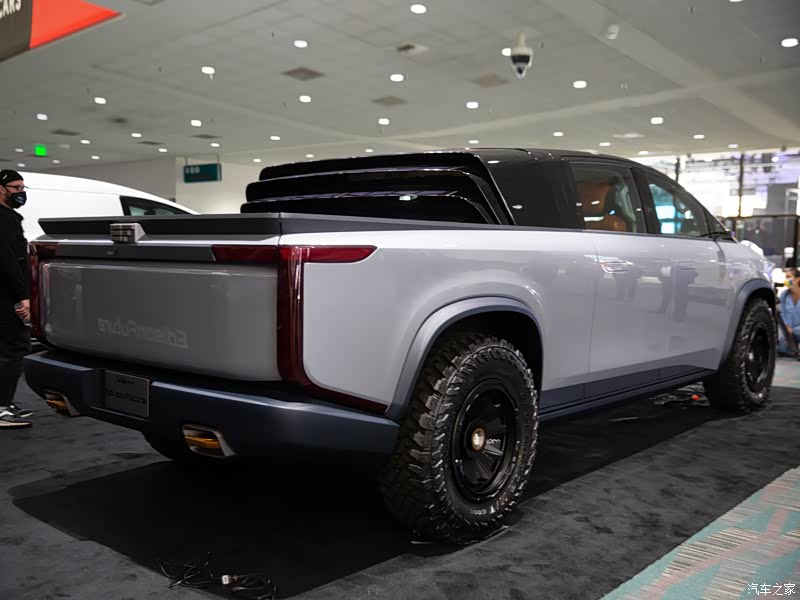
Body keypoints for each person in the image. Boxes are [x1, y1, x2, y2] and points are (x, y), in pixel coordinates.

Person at [0, 169, 33, 428]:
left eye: (23, 188)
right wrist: (23, 297)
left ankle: (4, 403)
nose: (21, 193)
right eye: (16, 188)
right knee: (13, 348)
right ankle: (2, 409)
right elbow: (8, 261)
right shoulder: (5, 219)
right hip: (6, 296)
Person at [778, 268, 800, 356]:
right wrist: (787, 326)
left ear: (797, 279)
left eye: (789, 277)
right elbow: (782, 312)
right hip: (788, 332)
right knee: (782, 349)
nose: (786, 280)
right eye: (786, 277)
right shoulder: (784, 294)